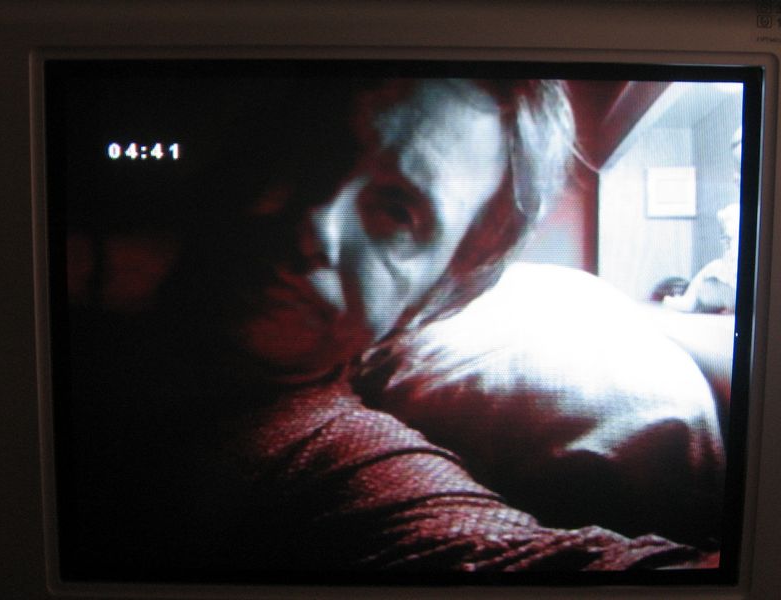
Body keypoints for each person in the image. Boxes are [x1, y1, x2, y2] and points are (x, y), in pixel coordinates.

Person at [65, 77, 713, 578]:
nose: (314, 224)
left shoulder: (335, 459)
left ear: (436, 291)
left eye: (397, 210)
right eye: (312, 156)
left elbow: (500, 551)